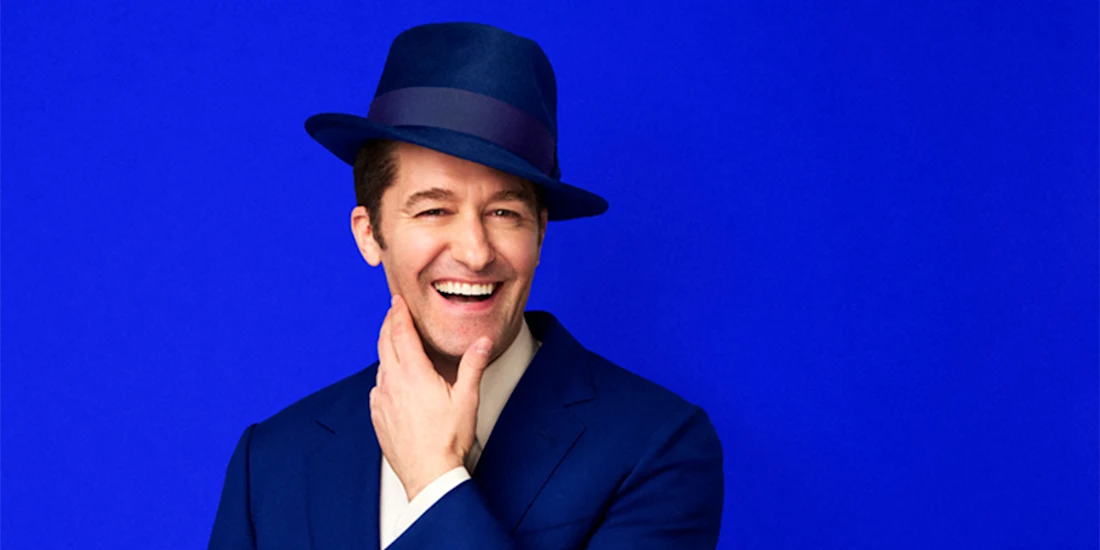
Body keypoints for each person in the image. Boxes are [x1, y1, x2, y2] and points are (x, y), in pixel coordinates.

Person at [208, 22, 724, 550]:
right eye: (434, 210)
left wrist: (435, 481)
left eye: (504, 212)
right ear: (370, 234)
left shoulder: (659, 445)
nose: (476, 252)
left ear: (540, 234)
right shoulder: (270, 461)